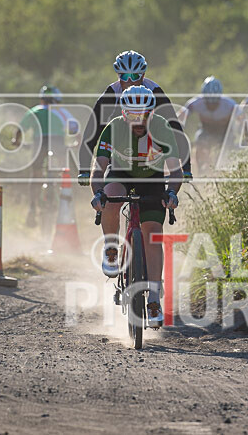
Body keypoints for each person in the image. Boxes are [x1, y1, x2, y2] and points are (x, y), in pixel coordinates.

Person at [89, 86, 182, 327]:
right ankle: (111, 247)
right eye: (132, 115)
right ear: (123, 114)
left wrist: (171, 192)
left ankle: (153, 298)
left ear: (152, 113)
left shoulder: (162, 127)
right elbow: (99, 168)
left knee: (152, 234)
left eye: (144, 115)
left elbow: (175, 170)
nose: (139, 121)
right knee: (110, 198)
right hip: (121, 174)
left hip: (152, 180)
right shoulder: (113, 128)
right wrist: (97, 194)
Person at [78, 50, 191, 186]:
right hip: (121, 144)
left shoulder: (154, 91)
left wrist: (186, 167)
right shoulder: (111, 93)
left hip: (148, 146)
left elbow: (175, 128)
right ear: (118, 75)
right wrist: (84, 169)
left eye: (135, 76)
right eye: (125, 76)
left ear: (143, 75)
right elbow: (92, 131)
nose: (130, 81)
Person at [12, 85, 78, 227]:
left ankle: (32, 207)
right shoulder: (62, 112)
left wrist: (16, 141)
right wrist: (77, 140)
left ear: (42, 100)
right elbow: (75, 129)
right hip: (58, 144)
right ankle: (62, 194)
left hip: (39, 144)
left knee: (35, 174)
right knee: (63, 171)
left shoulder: (35, 111)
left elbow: (19, 130)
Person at [178, 76, 237, 176]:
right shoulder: (196, 103)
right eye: (208, 102)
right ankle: (201, 171)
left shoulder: (230, 104)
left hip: (225, 133)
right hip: (206, 130)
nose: (211, 106)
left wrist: (245, 136)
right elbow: (180, 116)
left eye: (215, 103)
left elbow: (244, 119)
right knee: (199, 145)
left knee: (226, 154)